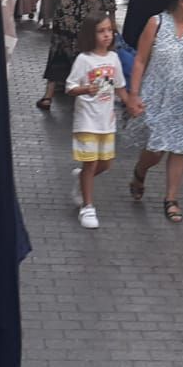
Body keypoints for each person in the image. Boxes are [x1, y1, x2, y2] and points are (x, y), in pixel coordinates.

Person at [127, 0, 183, 224]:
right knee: (155, 150)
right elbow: (140, 60)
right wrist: (134, 94)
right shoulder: (157, 23)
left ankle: (171, 199)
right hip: (157, 95)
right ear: (182, 2)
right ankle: (140, 171)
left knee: (179, 148)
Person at [66, 14, 132, 228]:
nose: (106, 35)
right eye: (101, 31)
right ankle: (87, 206)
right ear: (90, 34)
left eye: (109, 30)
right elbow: (70, 86)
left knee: (105, 163)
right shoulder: (84, 60)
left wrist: (130, 103)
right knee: (91, 162)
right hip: (86, 120)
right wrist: (85, 89)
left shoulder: (113, 58)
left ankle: (82, 178)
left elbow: (120, 86)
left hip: (107, 121)